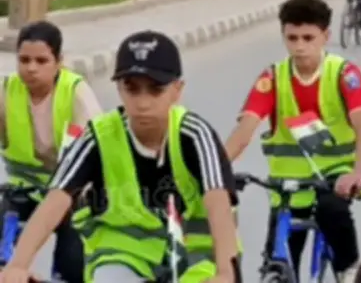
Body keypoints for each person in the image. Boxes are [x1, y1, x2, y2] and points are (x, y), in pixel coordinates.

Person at [0, 30, 241, 283]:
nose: (142, 103)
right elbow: (57, 198)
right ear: (118, 88)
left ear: (177, 90)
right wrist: (18, 265)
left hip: (196, 257)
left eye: (155, 90)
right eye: (132, 89)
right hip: (123, 255)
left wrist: (225, 273)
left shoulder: (195, 135)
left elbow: (219, 204)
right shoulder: (99, 136)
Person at [224, 0, 361, 281]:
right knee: (279, 259)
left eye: (308, 38)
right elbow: (244, 132)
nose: (299, 46)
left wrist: (360, 170)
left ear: (325, 36)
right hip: (288, 184)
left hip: (336, 175)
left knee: (333, 211)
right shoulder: (273, 77)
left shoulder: (344, 74)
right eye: (292, 38)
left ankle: (348, 270)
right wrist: (215, 171)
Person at [0, 21, 103, 283]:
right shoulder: (7, 91)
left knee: (72, 265)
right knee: (3, 255)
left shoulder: (76, 93)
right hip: (22, 192)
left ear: (59, 62)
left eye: (41, 60)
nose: (31, 68)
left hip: (70, 194)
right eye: (24, 60)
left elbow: (98, 152)